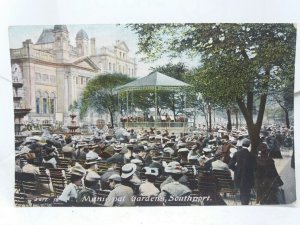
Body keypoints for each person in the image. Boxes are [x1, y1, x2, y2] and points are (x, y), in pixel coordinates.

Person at [229, 138, 256, 205]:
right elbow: (255, 167)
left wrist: (236, 170)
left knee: (241, 191)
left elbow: (230, 165)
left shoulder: (237, 153)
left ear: (242, 144)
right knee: (247, 191)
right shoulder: (252, 155)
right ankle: (245, 203)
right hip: (248, 177)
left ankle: (243, 203)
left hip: (239, 175)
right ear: (249, 145)